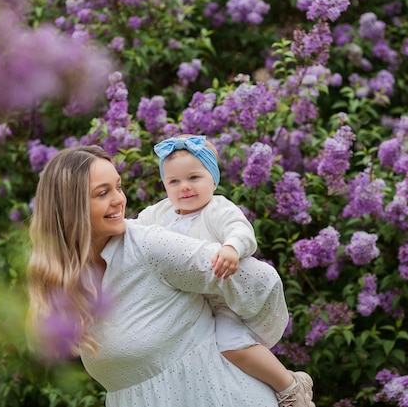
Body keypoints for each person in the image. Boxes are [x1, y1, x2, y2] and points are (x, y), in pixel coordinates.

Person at [26, 145, 293, 407]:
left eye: (118, 187)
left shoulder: (148, 246)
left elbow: (260, 282)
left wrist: (239, 339)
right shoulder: (67, 279)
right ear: (70, 207)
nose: (119, 199)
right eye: (103, 192)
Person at [135, 135, 315, 407]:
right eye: (174, 181)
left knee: (231, 343)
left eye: (194, 178)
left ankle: (290, 386)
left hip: (223, 301)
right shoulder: (161, 212)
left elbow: (240, 229)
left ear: (213, 179)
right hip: (185, 302)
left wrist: (231, 248)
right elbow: (135, 229)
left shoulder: (217, 209)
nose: (184, 187)